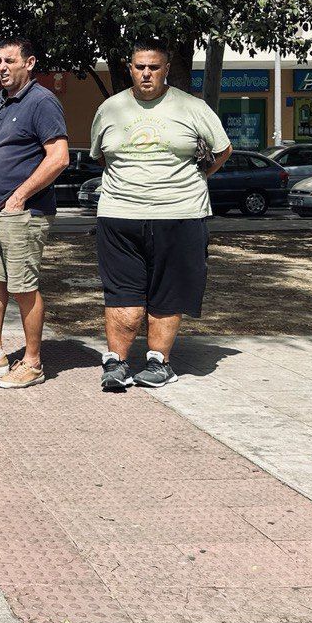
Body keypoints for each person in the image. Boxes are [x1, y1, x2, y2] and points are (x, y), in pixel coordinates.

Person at [90, 39, 232, 391]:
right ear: (130, 68)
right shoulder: (110, 109)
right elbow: (101, 155)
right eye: (140, 66)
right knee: (122, 294)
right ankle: (116, 363)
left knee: (168, 292)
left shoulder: (192, 107)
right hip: (119, 215)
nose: (147, 73)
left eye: (154, 66)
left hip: (181, 214)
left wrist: (197, 179)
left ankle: (158, 362)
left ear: (166, 69)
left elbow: (222, 150)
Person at [0, 39, 69, 389]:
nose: (2, 67)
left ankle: (32, 362)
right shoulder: (0, 101)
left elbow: (59, 157)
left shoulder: (42, 102)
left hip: (23, 213)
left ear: (30, 63)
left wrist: (20, 196)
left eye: (10, 61)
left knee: (23, 286)